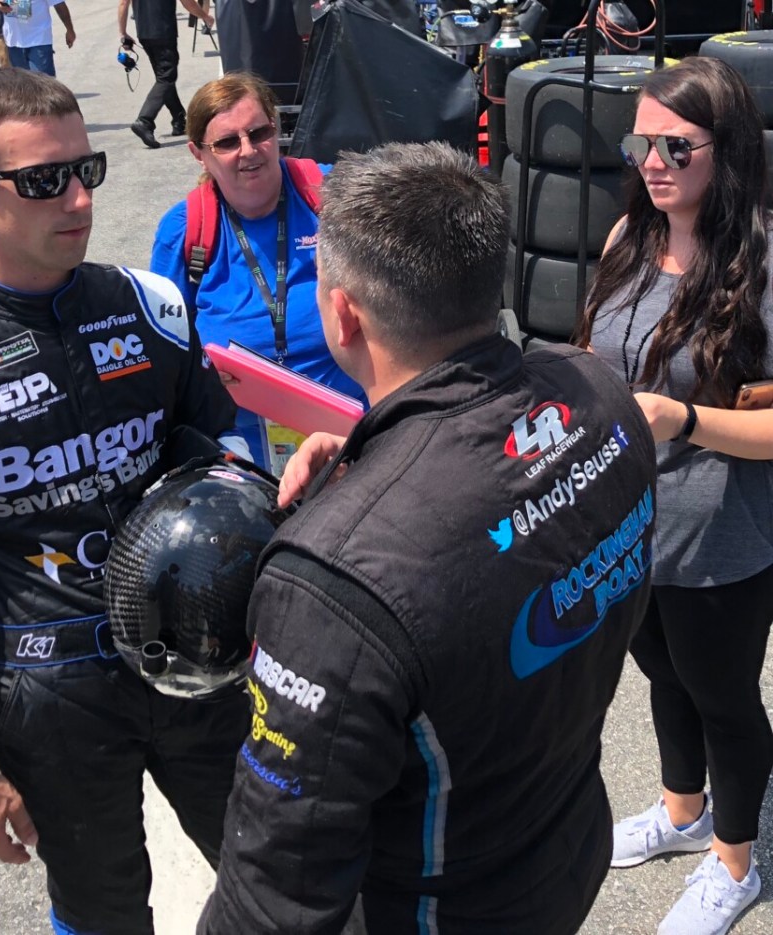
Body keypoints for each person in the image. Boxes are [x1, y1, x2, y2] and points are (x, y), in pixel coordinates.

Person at [198, 141, 659, 935]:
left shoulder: (331, 583)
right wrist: (376, 465)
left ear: (341, 313)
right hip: (564, 847)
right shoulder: (603, 395)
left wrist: (367, 510)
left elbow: (275, 890)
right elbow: (486, 472)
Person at [0, 68, 250, 935]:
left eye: (86, 169)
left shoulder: (153, 306)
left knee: (287, 884)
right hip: (54, 691)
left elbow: (226, 468)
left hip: (203, 664)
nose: (76, 198)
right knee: (101, 917)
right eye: (41, 180)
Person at [573, 56, 773, 935]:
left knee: (724, 696)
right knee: (660, 672)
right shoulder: (626, 240)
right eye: (640, 142)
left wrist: (682, 419)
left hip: (721, 536)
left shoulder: (761, 264)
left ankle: (736, 862)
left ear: (724, 152)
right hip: (629, 525)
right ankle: (682, 811)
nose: (651, 162)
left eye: (674, 147)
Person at [152, 73, 364, 472]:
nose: (248, 151)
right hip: (244, 457)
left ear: (277, 128)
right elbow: (164, 354)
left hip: (353, 441)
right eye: (227, 142)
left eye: (259, 133)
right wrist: (201, 376)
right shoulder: (187, 230)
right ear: (199, 153)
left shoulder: (333, 194)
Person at [118, 0, 214, 149]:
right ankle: (145, 120)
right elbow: (187, 2)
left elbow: (123, 4)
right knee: (166, 78)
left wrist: (123, 32)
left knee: (163, 77)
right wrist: (205, 16)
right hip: (163, 31)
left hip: (144, 32)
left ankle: (178, 118)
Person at [0, 0, 74, 77]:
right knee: (23, 83)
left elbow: (59, 5)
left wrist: (70, 30)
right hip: (14, 41)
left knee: (44, 82)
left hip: (39, 40)